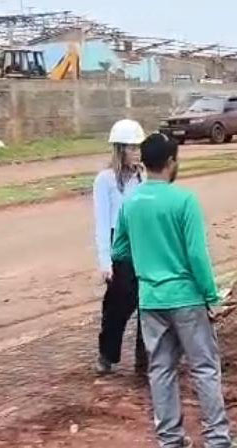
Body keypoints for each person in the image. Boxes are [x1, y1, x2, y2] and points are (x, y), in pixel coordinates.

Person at [111, 133, 237, 448]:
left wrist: (148, 259)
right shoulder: (184, 201)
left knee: (160, 369)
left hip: (151, 300)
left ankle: (170, 441)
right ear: (172, 162)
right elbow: (197, 256)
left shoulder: (131, 203)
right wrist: (210, 294)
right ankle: (217, 441)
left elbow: (119, 250)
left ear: (144, 163)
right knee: (204, 367)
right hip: (186, 297)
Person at [94, 119, 146, 376]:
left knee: (147, 304)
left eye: (139, 147)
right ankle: (107, 354)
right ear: (120, 149)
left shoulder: (144, 177)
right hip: (119, 247)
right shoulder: (105, 180)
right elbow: (102, 223)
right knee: (117, 306)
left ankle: (143, 360)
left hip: (143, 244)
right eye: (132, 147)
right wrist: (105, 262)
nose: (137, 152)